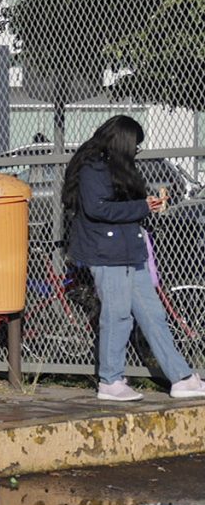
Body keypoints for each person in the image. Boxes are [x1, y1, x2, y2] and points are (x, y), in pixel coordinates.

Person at [64, 116, 205, 401]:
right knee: (117, 316)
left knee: (153, 315)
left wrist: (142, 206)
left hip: (128, 251)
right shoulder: (94, 167)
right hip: (107, 252)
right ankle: (110, 381)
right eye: (135, 145)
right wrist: (140, 207)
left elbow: (113, 206)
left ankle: (181, 377)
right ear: (123, 141)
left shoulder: (110, 166)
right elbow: (97, 209)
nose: (136, 151)